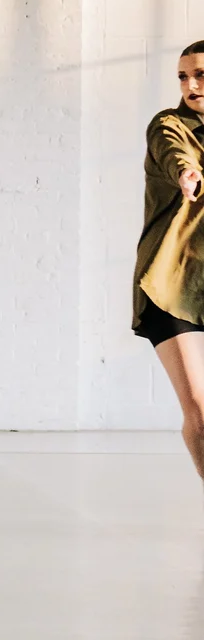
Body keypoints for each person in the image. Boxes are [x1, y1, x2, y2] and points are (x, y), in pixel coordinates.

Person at [133, 41, 204, 479]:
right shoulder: (169, 124)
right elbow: (172, 150)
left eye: (200, 75)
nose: (190, 85)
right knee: (199, 410)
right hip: (172, 282)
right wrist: (186, 172)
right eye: (183, 76)